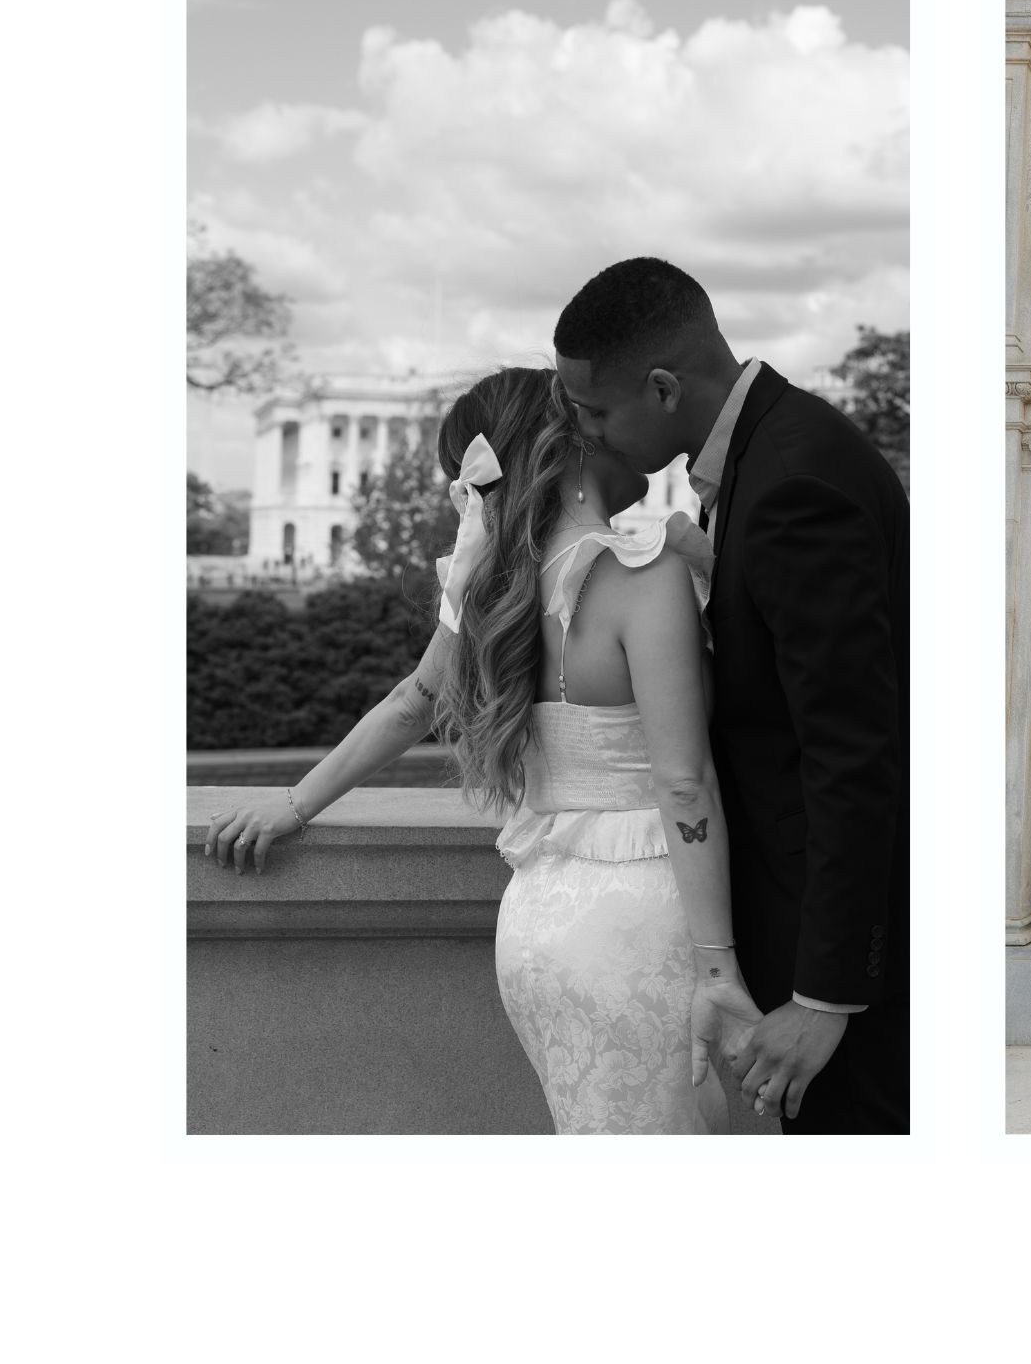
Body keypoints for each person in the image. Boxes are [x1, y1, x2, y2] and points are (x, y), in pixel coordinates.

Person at [202, 366, 762, 1134]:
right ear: (572, 442)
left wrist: (296, 804)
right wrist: (718, 964)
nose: (621, 428)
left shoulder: (494, 587)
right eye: (597, 416)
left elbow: (412, 703)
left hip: (536, 921)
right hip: (642, 916)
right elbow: (686, 787)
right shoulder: (643, 573)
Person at [554, 257, 909, 1135]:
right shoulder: (776, 452)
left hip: (835, 972)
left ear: (665, 388)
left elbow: (854, 752)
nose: (588, 435)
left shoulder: (793, 483)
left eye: (596, 412)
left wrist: (825, 998)